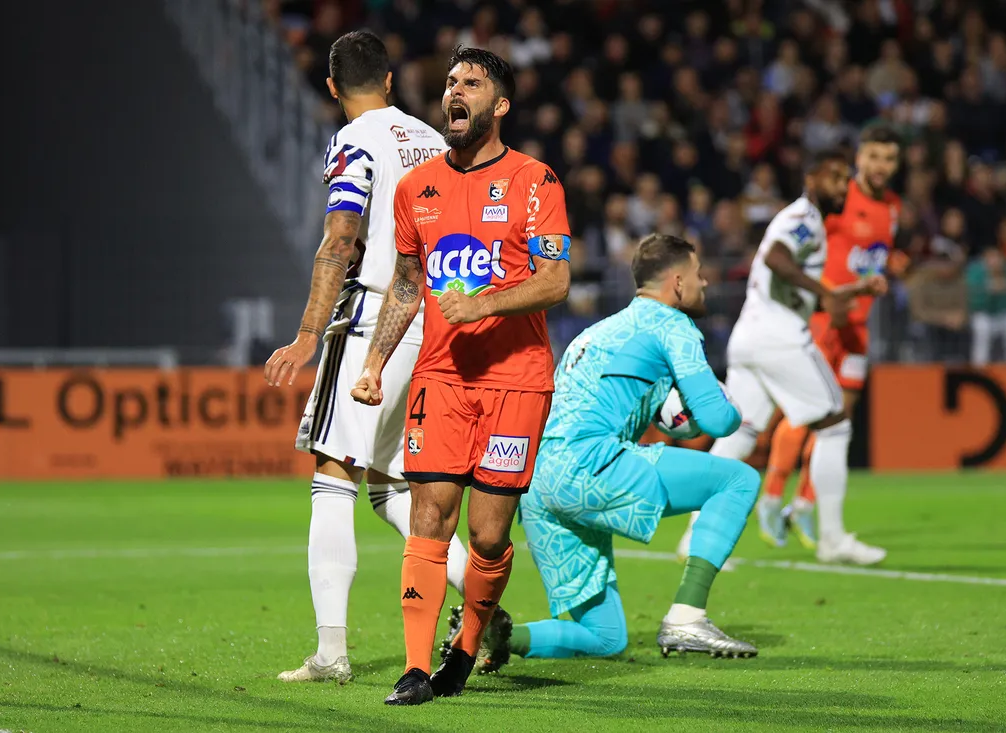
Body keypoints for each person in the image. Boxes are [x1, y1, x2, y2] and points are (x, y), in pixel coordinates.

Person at [351, 46, 571, 705]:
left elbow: (555, 280)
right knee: (429, 516)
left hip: (516, 381)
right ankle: (416, 667)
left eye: (472, 83)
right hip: (441, 379)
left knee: (489, 534)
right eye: (451, 81)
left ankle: (466, 648)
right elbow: (407, 284)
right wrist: (373, 363)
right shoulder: (415, 189)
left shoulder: (536, 181)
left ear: (499, 105)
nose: (456, 90)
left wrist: (483, 304)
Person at [443, 234, 761, 669]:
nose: (704, 282)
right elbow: (719, 421)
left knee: (606, 637)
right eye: (698, 273)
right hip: (589, 465)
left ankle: (496, 636)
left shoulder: (596, 333)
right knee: (739, 479)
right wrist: (728, 406)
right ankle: (687, 616)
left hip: (539, 486)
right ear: (677, 282)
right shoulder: (672, 324)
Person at [263, 30, 468, 684]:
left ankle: (331, 652)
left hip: (376, 315)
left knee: (335, 472)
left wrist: (307, 333)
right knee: (392, 486)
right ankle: (480, 604)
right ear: (388, 80)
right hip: (437, 319)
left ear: (331, 87)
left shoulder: (354, 142)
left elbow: (340, 237)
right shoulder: (433, 140)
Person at [677, 150, 890, 566]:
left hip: (751, 337)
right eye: (834, 177)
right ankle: (832, 538)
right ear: (811, 179)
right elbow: (777, 257)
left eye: (845, 179)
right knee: (835, 425)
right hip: (781, 339)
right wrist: (827, 291)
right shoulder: (803, 217)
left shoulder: (808, 222)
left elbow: (794, 289)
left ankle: (695, 537)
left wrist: (851, 292)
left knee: (739, 435)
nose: (843, 186)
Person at [757, 124, 904, 549]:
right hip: (824, 321)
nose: (881, 166)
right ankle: (771, 497)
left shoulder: (892, 207)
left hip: (858, 326)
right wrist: (820, 294)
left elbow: (868, 256)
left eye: (889, 158)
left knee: (841, 418)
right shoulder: (838, 199)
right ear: (859, 158)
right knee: (805, 412)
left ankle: (803, 505)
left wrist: (886, 269)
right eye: (874, 156)